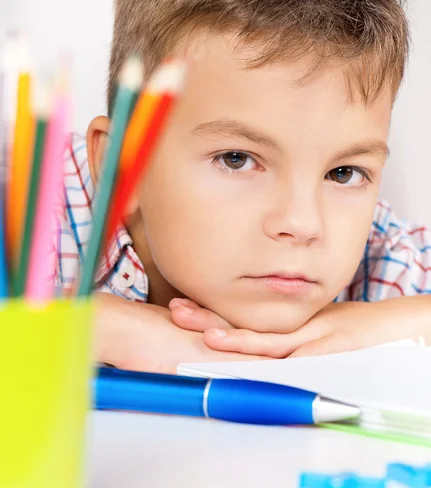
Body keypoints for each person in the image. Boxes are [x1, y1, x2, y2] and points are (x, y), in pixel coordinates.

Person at [57, 0, 431, 373]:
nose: (303, 224)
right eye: (236, 159)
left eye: (343, 173)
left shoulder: (382, 254)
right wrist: (89, 330)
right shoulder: (34, 213)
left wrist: (384, 327)